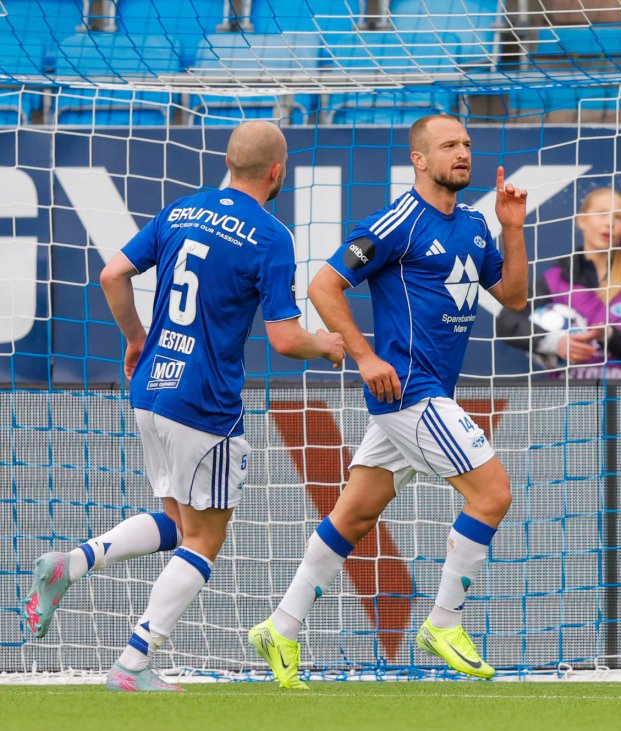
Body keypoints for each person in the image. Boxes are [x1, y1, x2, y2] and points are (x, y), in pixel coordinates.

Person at [23, 121, 346, 691]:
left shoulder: (182, 210)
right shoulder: (270, 236)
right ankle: (133, 664)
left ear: (228, 162)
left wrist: (135, 339)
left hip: (151, 386)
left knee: (177, 523)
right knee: (204, 538)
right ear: (277, 171)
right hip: (203, 399)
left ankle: (70, 563)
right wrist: (326, 344)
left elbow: (111, 273)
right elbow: (284, 339)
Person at [248, 114, 528, 687]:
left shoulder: (476, 224)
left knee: (354, 515)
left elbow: (516, 297)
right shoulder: (396, 221)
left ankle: (280, 625)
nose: (462, 153)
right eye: (448, 145)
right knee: (493, 494)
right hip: (409, 391)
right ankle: (444, 622)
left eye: (466, 144)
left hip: (424, 393)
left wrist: (513, 228)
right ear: (419, 160)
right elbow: (323, 285)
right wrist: (365, 357)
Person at [496, 186, 621, 379]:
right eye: (602, 214)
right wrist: (555, 342)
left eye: (619, 218)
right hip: (568, 394)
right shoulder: (556, 278)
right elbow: (507, 321)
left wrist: (611, 337)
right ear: (582, 220)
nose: (610, 223)